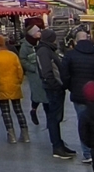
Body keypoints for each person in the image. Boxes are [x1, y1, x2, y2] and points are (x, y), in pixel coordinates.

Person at [61, 29, 94, 163]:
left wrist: (71, 87)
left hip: (78, 94)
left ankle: (87, 153)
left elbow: (64, 75)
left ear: (76, 41)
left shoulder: (69, 56)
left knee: (83, 122)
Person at [37, 28, 77, 159]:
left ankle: (59, 144)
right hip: (54, 88)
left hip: (55, 87)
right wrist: (56, 85)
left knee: (56, 117)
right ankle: (57, 146)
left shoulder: (48, 50)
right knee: (54, 118)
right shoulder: (44, 51)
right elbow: (47, 71)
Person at [0, 34, 29, 143]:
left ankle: (11, 136)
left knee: (5, 112)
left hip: (1, 87)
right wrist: (18, 82)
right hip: (14, 85)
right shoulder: (12, 55)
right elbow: (20, 71)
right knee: (19, 110)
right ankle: (25, 134)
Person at [18, 25, 47, 127]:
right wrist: (32, 68)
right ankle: (33, 110)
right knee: (37, 93)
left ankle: (48, 116)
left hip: (44, 71)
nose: (40, 32)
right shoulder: (25, 46)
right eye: (38, 31)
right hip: (34, 74)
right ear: (33, 33)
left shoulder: (41, 43)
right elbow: (23, 59)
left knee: (45, 93)